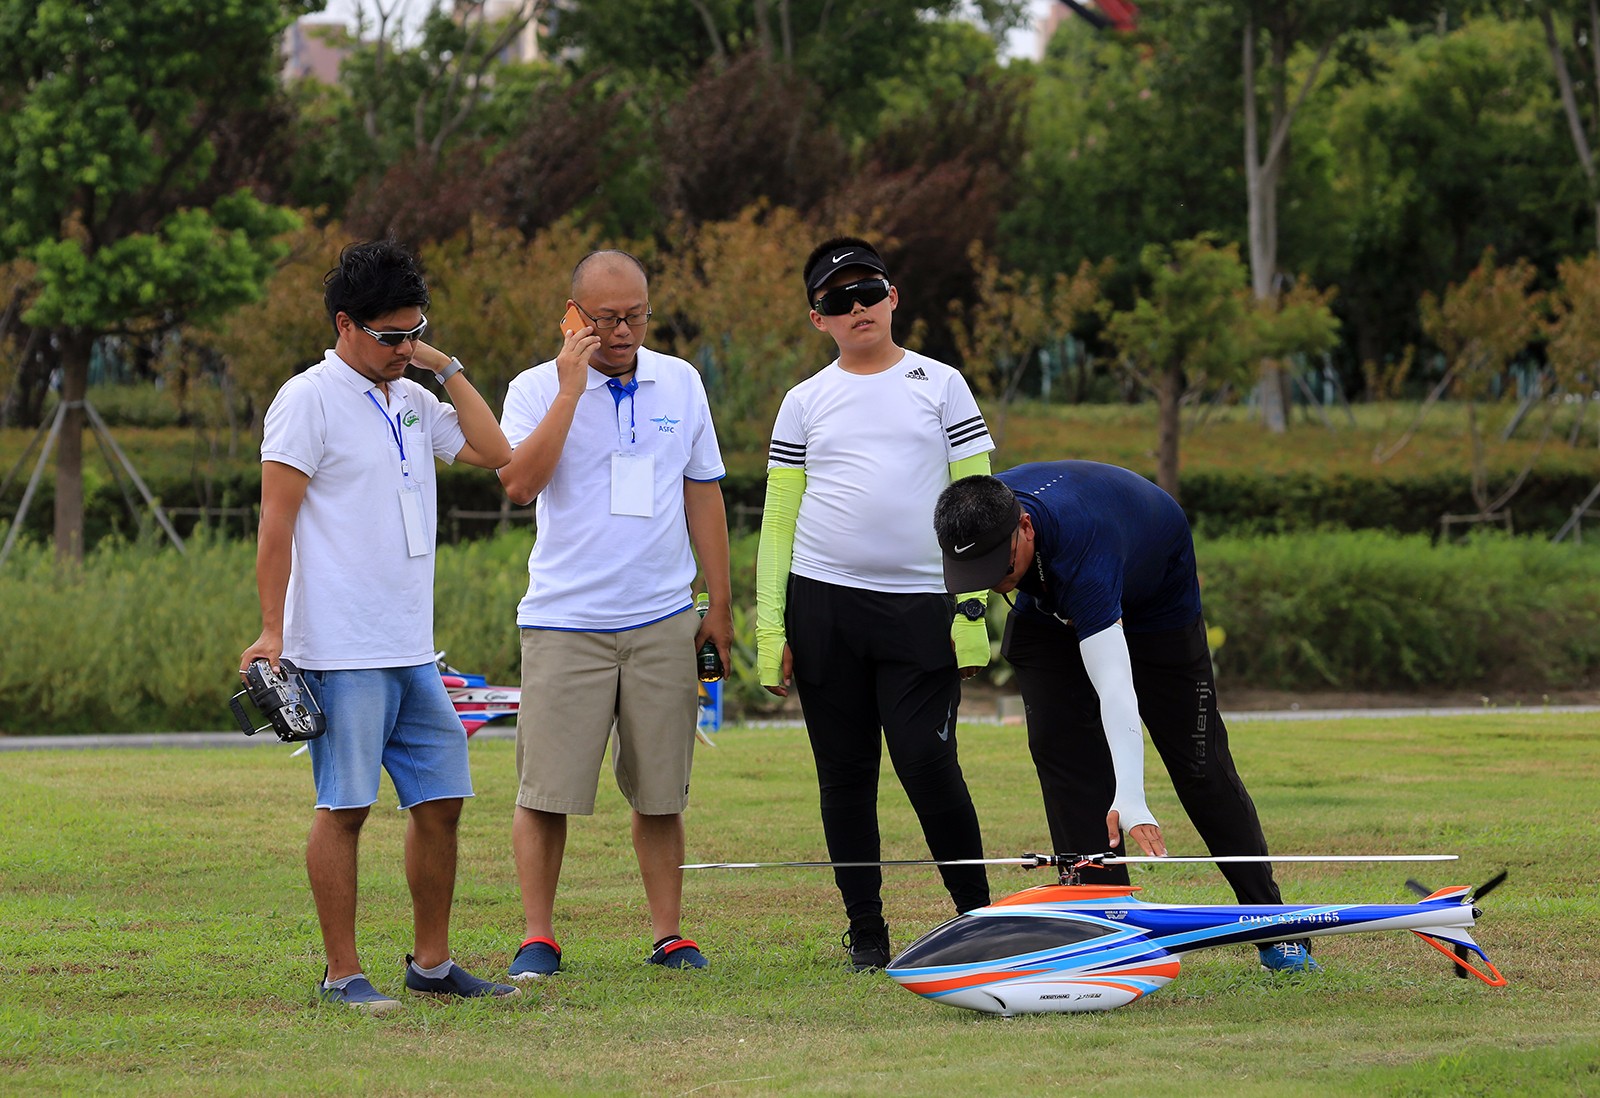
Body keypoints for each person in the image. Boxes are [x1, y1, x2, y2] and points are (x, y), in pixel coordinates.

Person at [240, 239, 519, 1012]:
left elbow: (498, 453)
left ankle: (431, 965)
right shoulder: (307, 399)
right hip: (338, 646)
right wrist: (272, 632)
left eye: (414, 331)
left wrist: (446, 366)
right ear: (345, 324)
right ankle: (341, 975)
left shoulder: (414, 397)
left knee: (441, 803)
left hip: (411, 648)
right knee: (346, 807)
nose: (404, 347)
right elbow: (275, 523)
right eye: (390, 336)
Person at [933, 462, 1319, 973]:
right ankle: (1106, 934)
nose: (996, 583)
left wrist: (1132, 796)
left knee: (1200, 767)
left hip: (1157, 607)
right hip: (1049, 612)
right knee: (1063, 758)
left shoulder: (1081, 547)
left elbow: (1116, 688)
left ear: (1024, 527)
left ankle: (1274, 925)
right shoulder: (975, 514)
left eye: (1001, 570)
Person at [756, 236, 993, 972]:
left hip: (924, 606)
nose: (856, 308)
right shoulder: (804, 402)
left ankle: (979, 921)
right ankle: (867, 932)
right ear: (817, 318)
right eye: (837, 299)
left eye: (868, 293)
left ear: (894, 298)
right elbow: (777, 525)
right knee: (845, 774)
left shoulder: (942, 383)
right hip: (825, 609)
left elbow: (979, 505)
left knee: (928, 762)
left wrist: (975, 614)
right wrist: (772, 633)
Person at [497, 250, 731, 979]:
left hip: (662, 616)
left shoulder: (682, 382)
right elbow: (519, 484)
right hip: (566, 620)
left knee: (661, 791)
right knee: (547, 791)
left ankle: (669, 934)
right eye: (606, 318)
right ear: (574, 317)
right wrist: (571, 388)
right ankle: (540, 936)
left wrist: (716, 604)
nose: (624, 330)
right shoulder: (535, 388)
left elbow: (704, 491)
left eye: (636, 315)